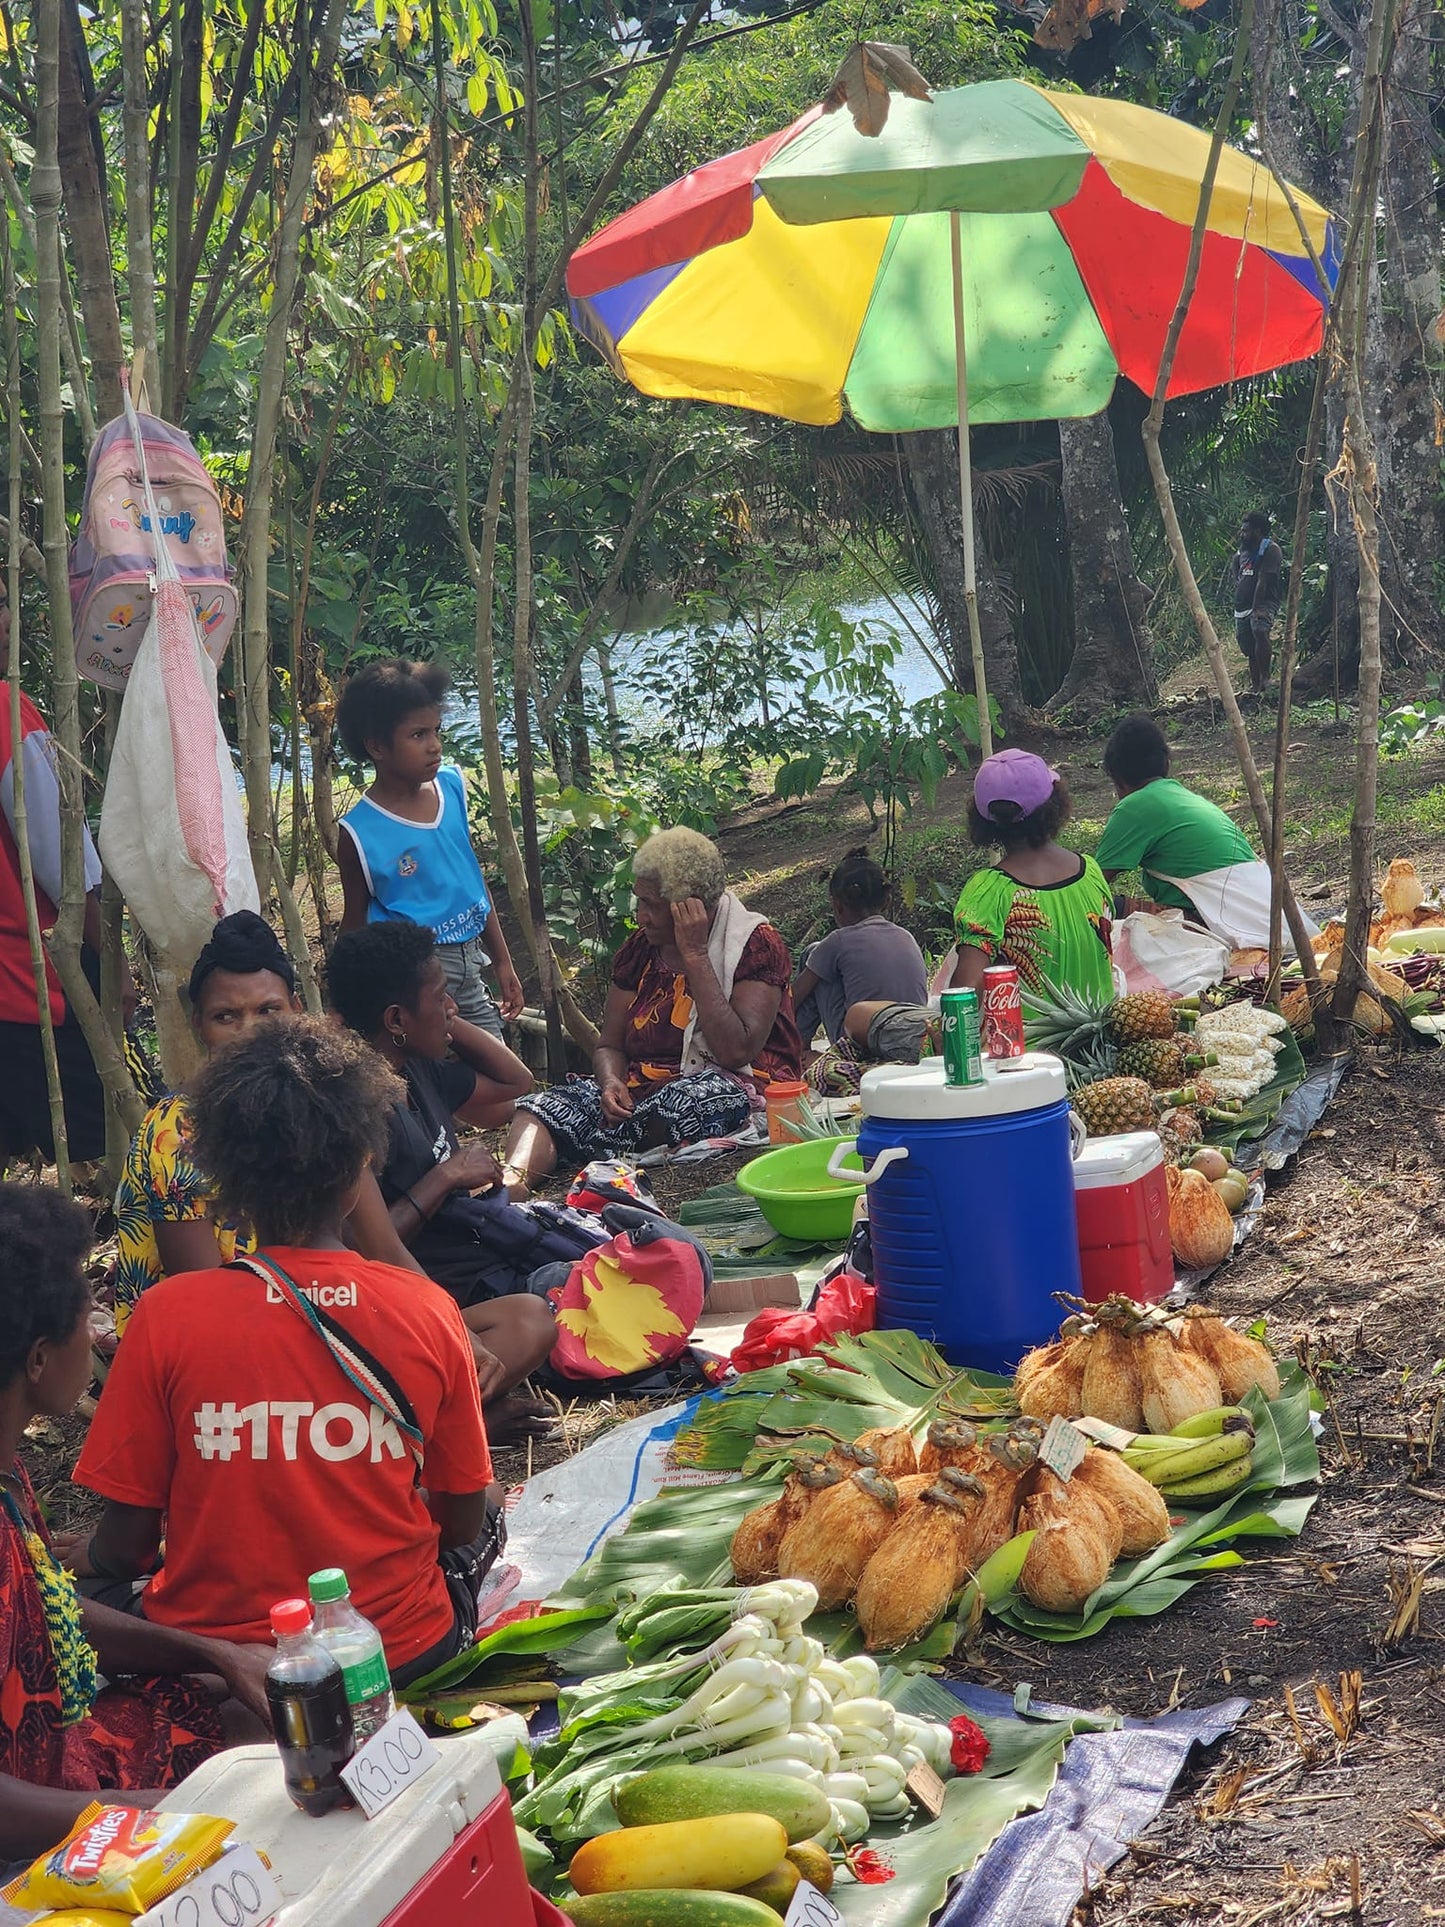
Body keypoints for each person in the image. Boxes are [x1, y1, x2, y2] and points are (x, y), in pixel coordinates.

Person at [72, 1017, 504, 1687]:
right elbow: (457, 1523)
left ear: (224, 1175)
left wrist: (85, 1555)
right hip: (398, 1652)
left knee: (79, 1605)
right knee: (489, 1508)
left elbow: (125, 1549)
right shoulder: (425, 1307)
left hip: (219, 1664)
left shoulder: (165, 1317)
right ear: (361, 1162)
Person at [0, 1183, 268, 1861]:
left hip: (72, 1747)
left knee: (258, 1709)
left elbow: (49, 1613)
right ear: (37, 1357)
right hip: (36, 1835)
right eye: (80, 1305)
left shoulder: (8, 1471)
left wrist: (214, 1653)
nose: (93, 1318)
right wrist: (190, 1808)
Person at [110, 911, 413, 1335]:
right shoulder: (175, 1130)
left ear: (296, 1010)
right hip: (216, 1343)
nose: (248, 1031)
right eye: (226, 1016)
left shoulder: (324, 1100)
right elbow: (203, 1305)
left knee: (521, 1320)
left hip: (316, 1312)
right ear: (198, 1024)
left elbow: (385, 1247)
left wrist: (451, 1333)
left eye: (268, 1010)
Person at [326, 920, 557, 1431]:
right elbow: (365, 1246)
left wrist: (450, 1022)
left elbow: (514, 1082)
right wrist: (446, 1175)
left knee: (537, 1316)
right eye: (440, 996)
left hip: (454, 1277)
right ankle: (454, 1425)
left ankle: (449, 1415)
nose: (451, 1004)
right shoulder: (354, 1112)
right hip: (400, 1304)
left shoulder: (416, 1067)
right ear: (395, 1018)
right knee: (534, 1321)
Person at [503, 828, 802, 1188]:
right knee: (543, 1105)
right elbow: (610, 1045)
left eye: (653, 905)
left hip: (729, 1085)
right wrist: (611, 1082)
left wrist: (694, 954)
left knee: (686, 1104)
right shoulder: (640, 949)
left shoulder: (755, 944)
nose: (641, 916)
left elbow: (735, 1049)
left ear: (692, 908)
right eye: (639, 901)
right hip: (641, 1095)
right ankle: (513, 1183)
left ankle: (592, 1142)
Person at [0, 583, 136, 1165]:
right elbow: (65, 864)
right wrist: (116, 969)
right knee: (128, 1150)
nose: (8, 619)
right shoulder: (6, 713)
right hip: (32, 991)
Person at [335, 658, 524, 1039]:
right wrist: (343, 1000)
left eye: (437, 731)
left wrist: (503, 962)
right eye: (418, 735)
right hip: (412, 978)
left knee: (505, 1072)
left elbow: (472, 882)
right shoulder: (358, 832)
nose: (435, 746)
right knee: (434, 1074)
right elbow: (355, 922)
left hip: (471, 963)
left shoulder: (451, 787)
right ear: (376, 746)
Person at [1096, 715, 1314, 951]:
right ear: (1167, 763)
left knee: (1106, 909)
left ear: (1117, 780)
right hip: (1280, 924)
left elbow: (1091, 884)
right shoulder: (1186, 799)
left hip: (1227, 928)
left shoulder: (1135, 806)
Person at [793, 850, 928, 1046]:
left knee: (813, 953)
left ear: (837, 906)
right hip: (912, 1036)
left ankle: (797, 1047)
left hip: (860, 1042)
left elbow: (794, 997)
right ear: (886, 900)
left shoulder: (838, 940)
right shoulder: (906, 936)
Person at [1230, 510, 1283, 696]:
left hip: (1263, 603)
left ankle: (1266, 678)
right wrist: (1238, 583)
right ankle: (1255, 688)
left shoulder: (1270, 549)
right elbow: (1236, 563)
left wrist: (1257, 607)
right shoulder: (1243, 551)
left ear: (1258, 532)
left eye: (1246, 531)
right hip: (1241, 606)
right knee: (1249, 648)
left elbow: (1263, 580)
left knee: (1260, 630)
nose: (1242, 534)